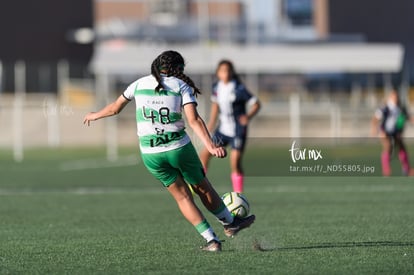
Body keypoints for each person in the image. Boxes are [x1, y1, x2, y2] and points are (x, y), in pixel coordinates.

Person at [83, 51, 255, 252]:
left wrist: (94, 115)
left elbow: (114, 108)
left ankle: (212, 241)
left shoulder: (138, 84)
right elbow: (194, 120)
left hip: (151, 154)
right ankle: (229, 223)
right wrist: (211, 146)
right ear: (179, 69)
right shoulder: (181, 85)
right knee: (202, 188)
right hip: (178, 149)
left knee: (182, 198)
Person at [200, 60, 261, 193]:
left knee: (235, 161)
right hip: (222, 131)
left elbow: (256, 104)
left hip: (237, 131)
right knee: (204, 155)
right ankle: (199, 186)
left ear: (232, 72)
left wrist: (248, 117)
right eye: (222, 70)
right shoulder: (216, 87)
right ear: (218, 73)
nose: (225, 73)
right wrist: (211, 123)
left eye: (228, 70)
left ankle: (238, 194)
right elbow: (215, 106)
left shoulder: (239, 88)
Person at [371, 90, 413, 176]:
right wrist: (374, 129)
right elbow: (375, 118)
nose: (396, 99)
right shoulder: (385, 108)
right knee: (388, 147)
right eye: (394, 97)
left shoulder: (400, 108)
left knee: (402, 148)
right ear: (390, 97)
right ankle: (386, 170)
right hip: (385, 131)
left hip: (395, 132)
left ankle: (407, 169)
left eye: (397, 97)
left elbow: (407, 117)